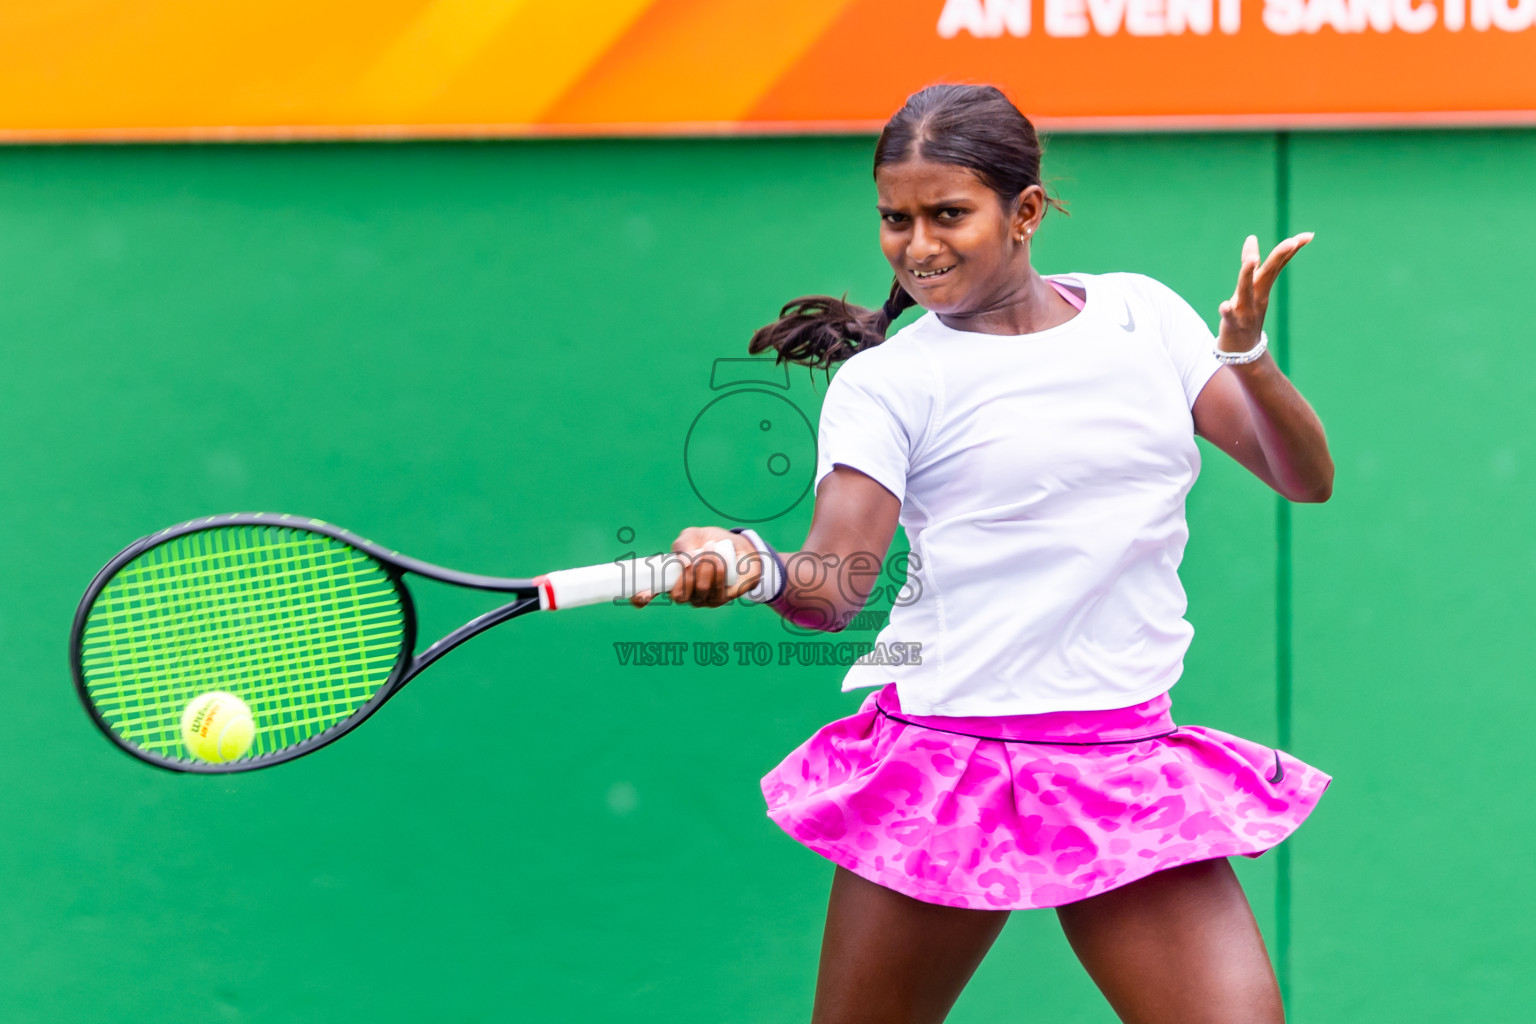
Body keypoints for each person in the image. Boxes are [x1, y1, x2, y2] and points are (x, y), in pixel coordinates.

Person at [632, 83, 1333, 1024]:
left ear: (1027, 211)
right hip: (948, 761)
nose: (918, 246)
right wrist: (752, 564)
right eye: (895, 219)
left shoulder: (1145, 317)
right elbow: (836, 589)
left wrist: (1248, 358)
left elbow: (1304, 476)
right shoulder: (889, 385)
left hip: (1121, 754)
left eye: (947, 214)